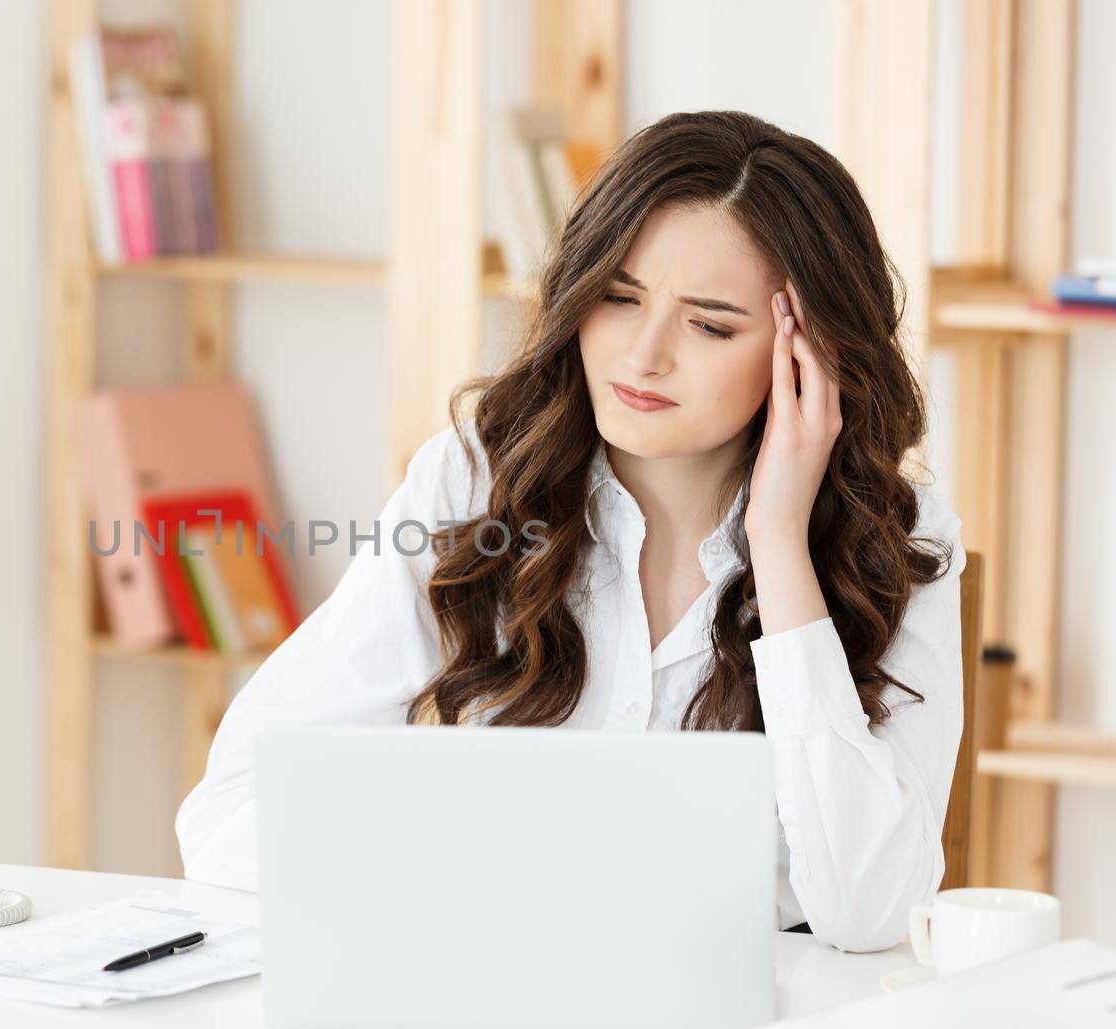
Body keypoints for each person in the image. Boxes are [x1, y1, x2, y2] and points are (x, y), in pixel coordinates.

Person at [173, 110, 966, 954]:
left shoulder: (897, 541)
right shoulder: (472, 486)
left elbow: (872, 912)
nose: (643, 356)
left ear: (813, 355)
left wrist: (778, 544)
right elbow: (229, 814)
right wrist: (459, 875)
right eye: (619, 298)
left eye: (710, 324)